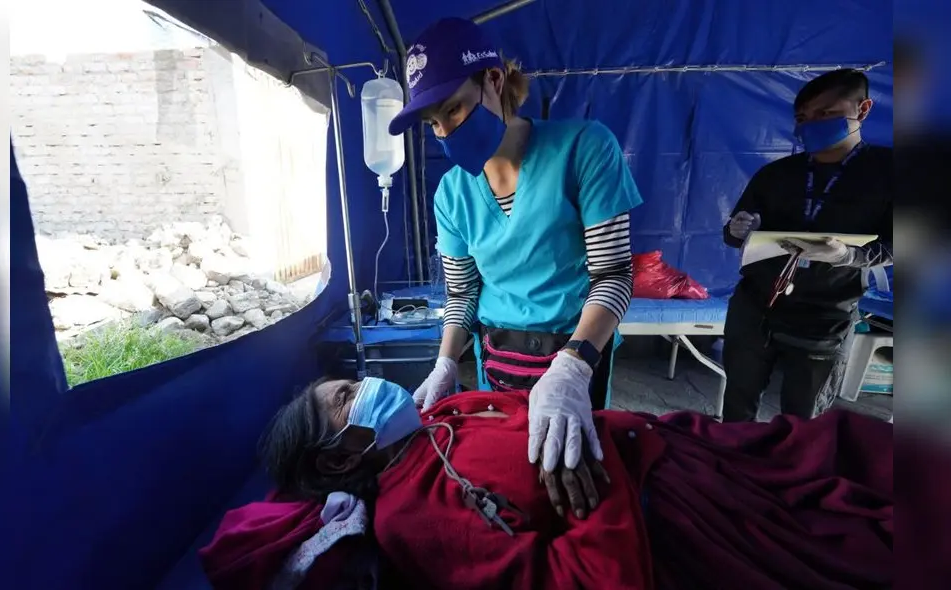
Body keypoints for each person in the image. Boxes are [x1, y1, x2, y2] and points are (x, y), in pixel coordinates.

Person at [200, 377, 893, 590]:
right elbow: (589, 582)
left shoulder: (437, 418)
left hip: (680, 446)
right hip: (674, 514)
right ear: (342, 460)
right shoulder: (415, 517)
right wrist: (593, 476)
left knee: (843, 442)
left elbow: (527, 408)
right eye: (350, 393)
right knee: (864, 534)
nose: (375, 384)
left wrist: (562, 389)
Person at [386, 17, 643, 475]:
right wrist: (446, 362)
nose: (444, 131)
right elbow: (462, 294)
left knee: (572, 471)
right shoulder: (452, 193)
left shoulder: (584, 148)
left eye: (454, 109)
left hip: (575, 347)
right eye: (433, 122)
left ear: (493, 79)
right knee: (506, 469)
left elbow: (614, 276)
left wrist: (573, 368)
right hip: (499, 357)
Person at [721, 69, 893, 422]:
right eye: (802, 117)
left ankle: (793, 474)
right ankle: (732, 469)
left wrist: (850, 256)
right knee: (738, 409)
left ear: (862, 109)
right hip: (756, 307)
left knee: (804, 421)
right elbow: (733, 230)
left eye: (825, 113)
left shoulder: (888, 173)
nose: (811, 123)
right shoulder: (777, 174)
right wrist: (737, 230)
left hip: (826, 313)